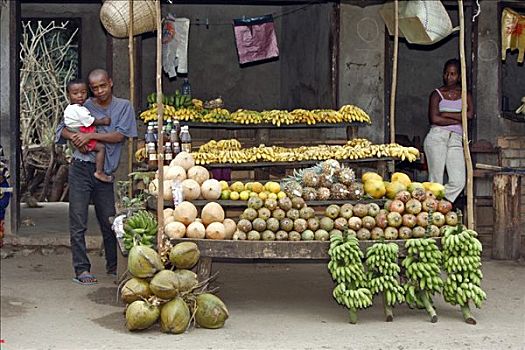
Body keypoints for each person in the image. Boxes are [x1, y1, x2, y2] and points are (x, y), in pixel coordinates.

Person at [56, 69, 137, 285]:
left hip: (105, 173)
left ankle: (114, 266)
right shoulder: (82, 105)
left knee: (109, 221)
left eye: (103, 85)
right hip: (81, 168)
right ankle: (81, 269)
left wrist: (89, 135)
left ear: (110, 83)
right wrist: (75, 137)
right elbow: (60, 130)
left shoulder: (124, 107)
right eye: (95, 88)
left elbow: (120, 135)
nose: (99, 91)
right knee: (78, 220)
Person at [423, 58, 473, 205]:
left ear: (459, 76)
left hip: (457, 139)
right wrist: (458, 119)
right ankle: (433, 213)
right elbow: (434, 119)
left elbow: (469, 115)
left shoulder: (466, 94)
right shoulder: (437, 94)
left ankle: (440, 203)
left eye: (453, 74)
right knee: (435, 180)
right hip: (437, 137)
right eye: (446, 74)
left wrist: (445, 114)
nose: (449, 77)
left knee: (458, 181)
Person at [64, 79, 113, 183]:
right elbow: (90, 121)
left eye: (83, 92)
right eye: (75, 93)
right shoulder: (78, 109)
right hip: (79, 133)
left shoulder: (69, 108)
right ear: (69, 95)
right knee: (101, 148)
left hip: (76, 132)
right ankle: (99, 172)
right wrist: (103, 121)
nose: (80, 96)